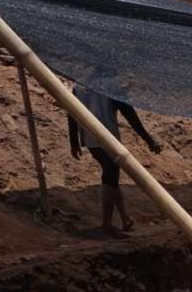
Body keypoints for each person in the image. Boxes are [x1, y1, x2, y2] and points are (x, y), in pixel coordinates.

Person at [67, 80, 161, 236]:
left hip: (89, 139)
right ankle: (107, 225)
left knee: (111, 175)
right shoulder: (112, 87)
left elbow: (71, 113)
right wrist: (149, 140)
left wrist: (74, 141)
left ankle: (125, 218)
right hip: (108, 138)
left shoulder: (79, 87)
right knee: (110, 176)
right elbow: (130, 116)